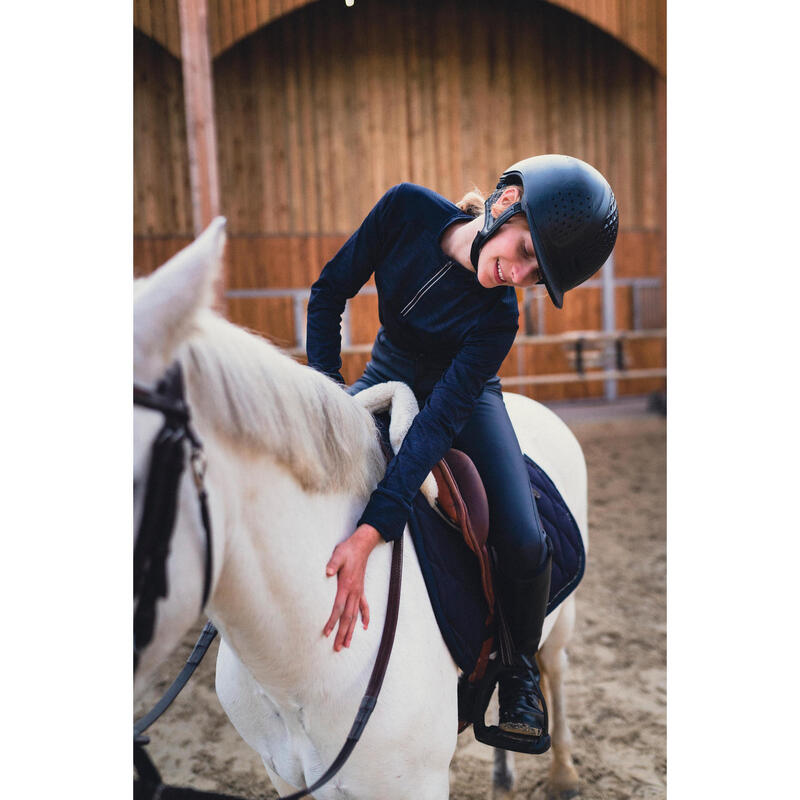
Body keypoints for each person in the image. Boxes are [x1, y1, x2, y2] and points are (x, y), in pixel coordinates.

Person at [306, 154, 618, 748]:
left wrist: (374, 528)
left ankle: (520, 668)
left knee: (525, 538)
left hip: (464, 396)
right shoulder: (404, 209)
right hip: (387, 368)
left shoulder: (500, 317)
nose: (518, 276)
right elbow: (327, 295)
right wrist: (326, 399)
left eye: (535, 276)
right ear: (506, 203)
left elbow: (438, 422)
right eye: (526, 253)